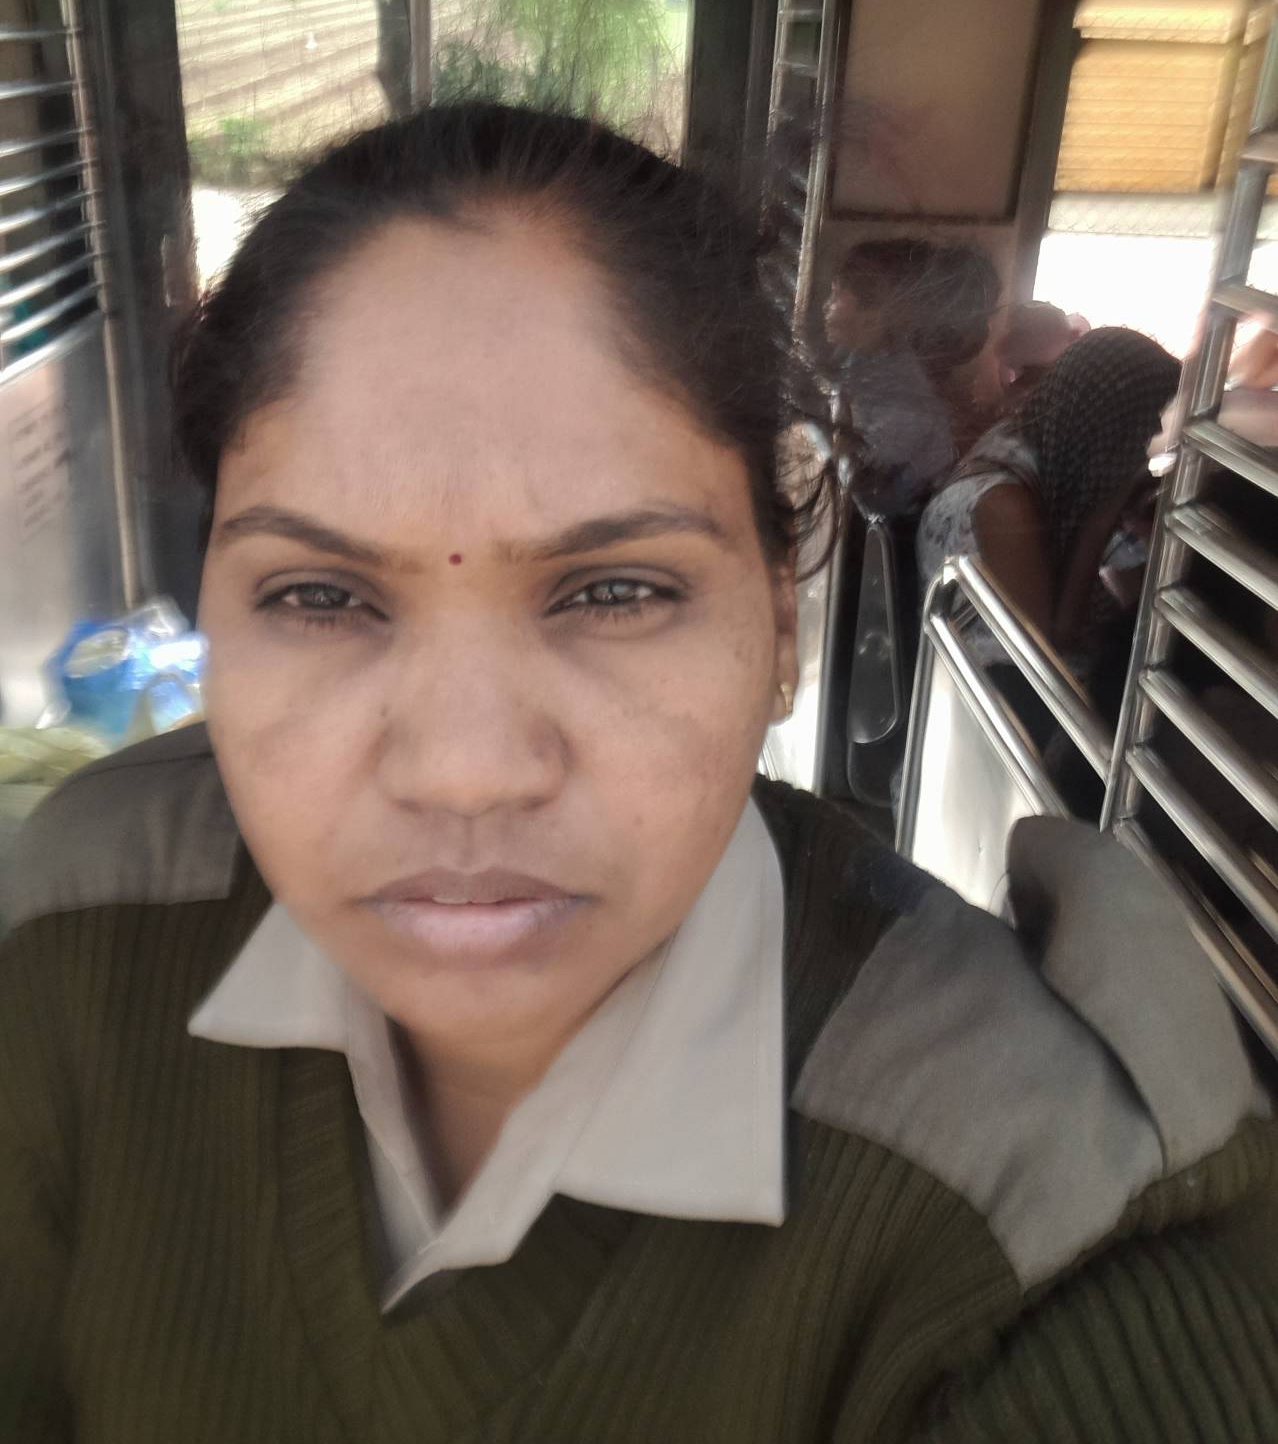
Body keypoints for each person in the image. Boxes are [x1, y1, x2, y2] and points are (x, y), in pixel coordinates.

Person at [1, 106, 1275, 1443]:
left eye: (613, 590)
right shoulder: (76, 936)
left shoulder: (1038, 1213)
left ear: (779, 627)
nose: (465, 775)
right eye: (319, 595)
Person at [916, 327, 1181, 674]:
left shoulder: (1045, 446)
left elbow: (1128, 581)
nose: (1150, 434)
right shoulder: (1002, 503)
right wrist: (1101, 520)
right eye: (1144, 419)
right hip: (996, 681)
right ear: (1107, 420)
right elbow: (1048, 650)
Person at [824, 238, 1006, 517]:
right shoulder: (859, 358)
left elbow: (853, 480)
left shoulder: (907, 398)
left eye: (836, 294)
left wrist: (839, 427)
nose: (826, 305)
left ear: (874, 318)